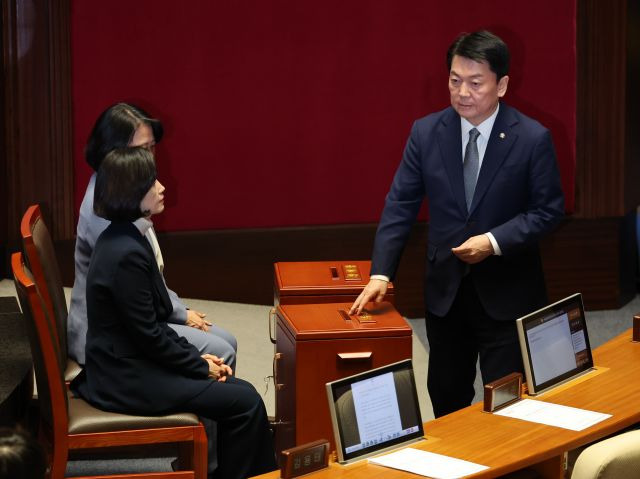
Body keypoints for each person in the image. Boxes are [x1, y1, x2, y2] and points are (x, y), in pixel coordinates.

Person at [350, 30, 564, 418]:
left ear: (501, 85)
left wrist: (493, 242)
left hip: (508, 290)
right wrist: (381, 272)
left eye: (475, 82)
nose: (463, 92)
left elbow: (547, 211)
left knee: (507, 401)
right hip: (446, 291)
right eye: (455, 80)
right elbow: (400, 203)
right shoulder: (427, 132)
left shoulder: (532, 138)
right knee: (446, 396)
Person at [70, 147, 277, 479]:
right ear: (132, 191)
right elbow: (148, 336)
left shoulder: (125, 237)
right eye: (153, 181)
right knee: (245, 403)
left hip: (130, 363)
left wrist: (198, 360)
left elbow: (151, 326)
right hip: (124, 378)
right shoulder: (124, 252)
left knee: (243, 394)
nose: (163, 187)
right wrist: (196, 364)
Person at [68, 102, 237, 371]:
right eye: (141, 149)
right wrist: (180, 315)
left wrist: (181, 310)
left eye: (152, 148)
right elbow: (134, 289)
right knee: (222, 351)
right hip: (111, 340)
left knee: (225, 340)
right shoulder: (105, 208)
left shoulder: (123, 192)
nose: (150, 158)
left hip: (133, 318)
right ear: (114, 152)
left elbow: (148, 277)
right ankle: (198, 405)